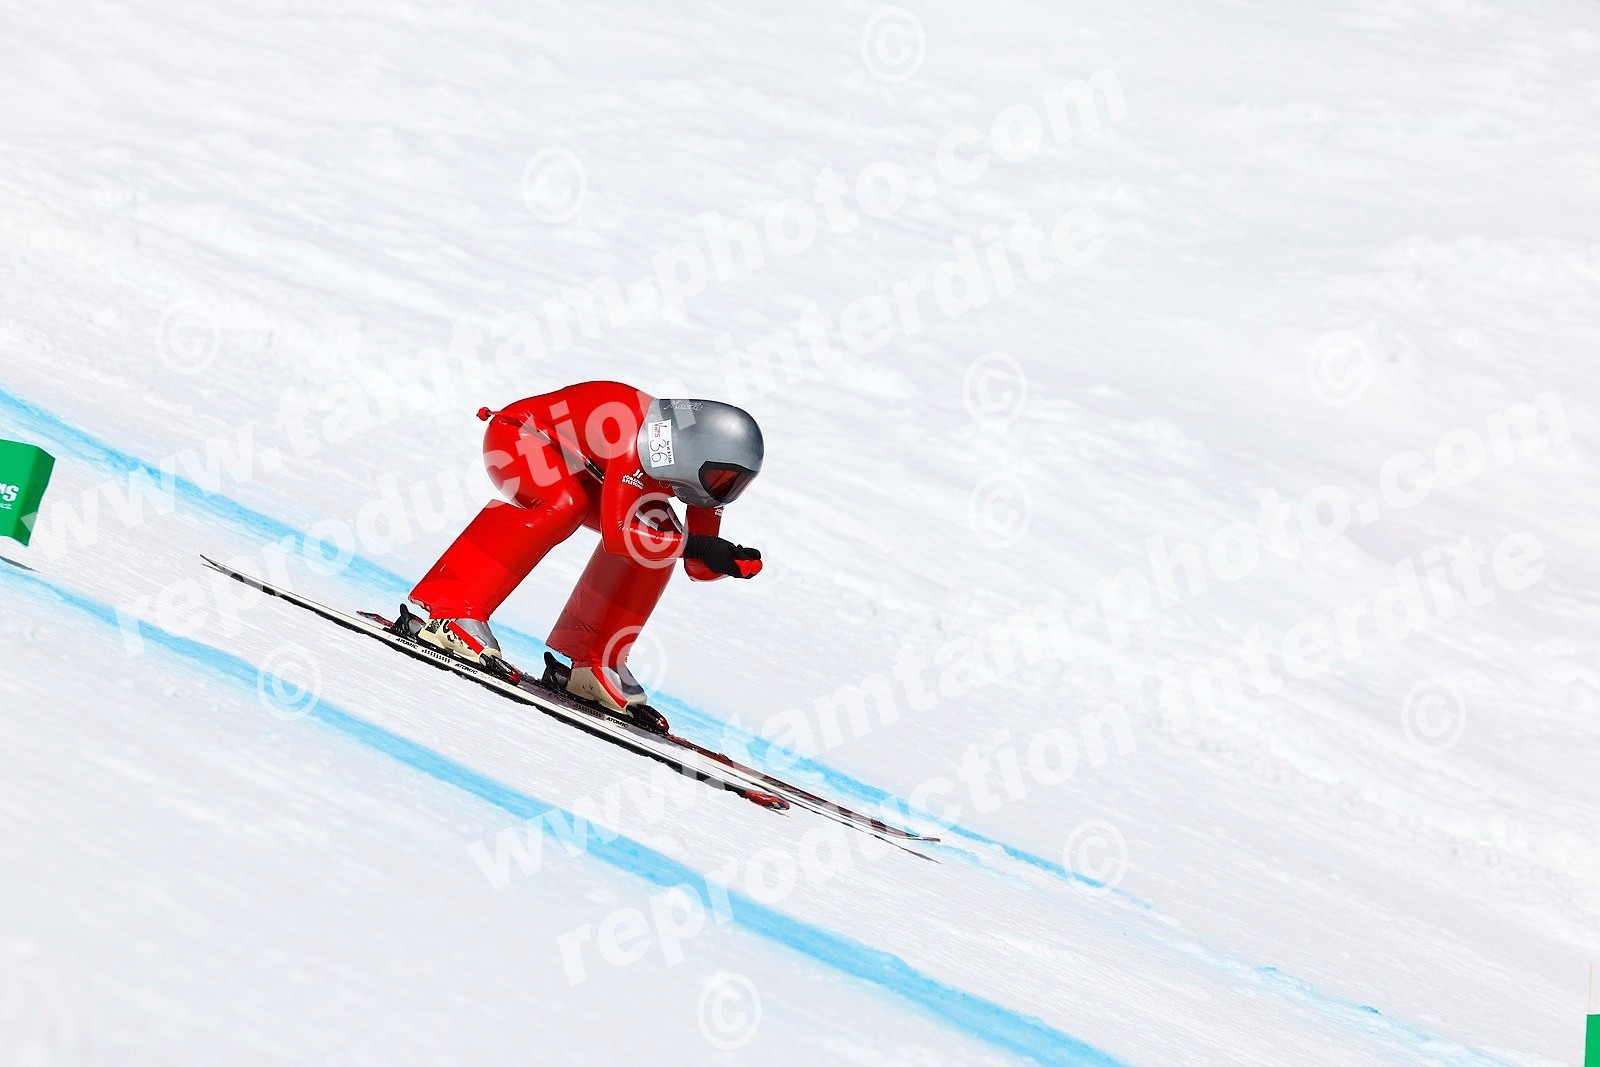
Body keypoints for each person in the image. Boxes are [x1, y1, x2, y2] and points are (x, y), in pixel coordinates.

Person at [404, 380, 764, 725]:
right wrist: (696, 546)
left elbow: (698, 566)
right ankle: (451, 609)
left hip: (587, 467)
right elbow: (619, 536)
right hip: (521, 437)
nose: (723, 489)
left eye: (736, 483)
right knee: (565, 504)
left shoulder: (703, 480)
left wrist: (729, 560)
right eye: (721, 477)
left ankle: (595, 659)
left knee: (661, 534)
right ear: (692, 451)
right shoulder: (636, 442)